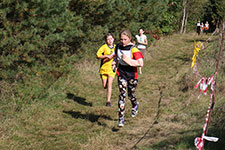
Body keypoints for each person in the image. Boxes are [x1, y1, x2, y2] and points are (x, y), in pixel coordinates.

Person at [114, 29, 144, 127]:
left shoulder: (133, 49)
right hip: (121, 73)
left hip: (132, 74)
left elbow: (140, 63)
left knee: (131, 95)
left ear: (130, 39)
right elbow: (116, 56)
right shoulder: (118, 46)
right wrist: (115, 63)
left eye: (125, 39)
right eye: (121, 39)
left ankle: (135, 105)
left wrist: (128, 60)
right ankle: (121, 118)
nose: (123, 41)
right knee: (122, 95)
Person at [96, 33, 116, 107]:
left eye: (111, 39)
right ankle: (107, 88)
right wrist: (106, 56)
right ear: (106, 41)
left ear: (113, 39)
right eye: (108, 39)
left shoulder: (116, 47)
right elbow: (98, 55)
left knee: (109, 84)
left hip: (112, 68)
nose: (110, 40)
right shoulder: (104, 47)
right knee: (105, 86)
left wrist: (115, 62)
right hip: (104, 68)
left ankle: (108, 101)